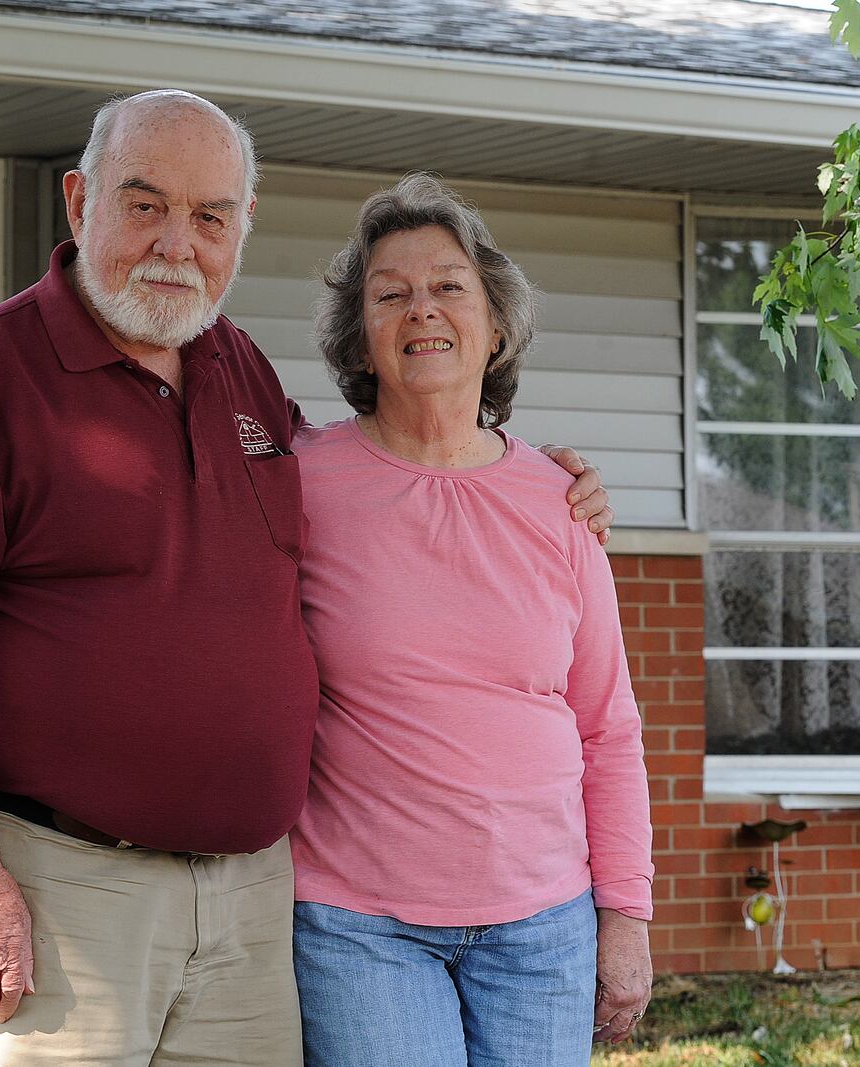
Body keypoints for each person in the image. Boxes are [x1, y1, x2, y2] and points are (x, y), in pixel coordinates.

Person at [0, 92, 613, 1067]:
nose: (177, 242)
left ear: (243, 227)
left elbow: (396, 480)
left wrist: (541, 477)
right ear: (79, 201)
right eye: (145, 203)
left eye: (210, 216)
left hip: (248, 908)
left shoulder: (235, 369)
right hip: (59, 891)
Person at [287, 173, 654, 1067]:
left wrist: (626, 915)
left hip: (545, 929)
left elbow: (607, 727)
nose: (424, 310)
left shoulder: (561, 501)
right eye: (391, 293)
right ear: (359, 339)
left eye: (450, 286)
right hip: (360, 925)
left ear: (495, 327)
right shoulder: (300, 484)